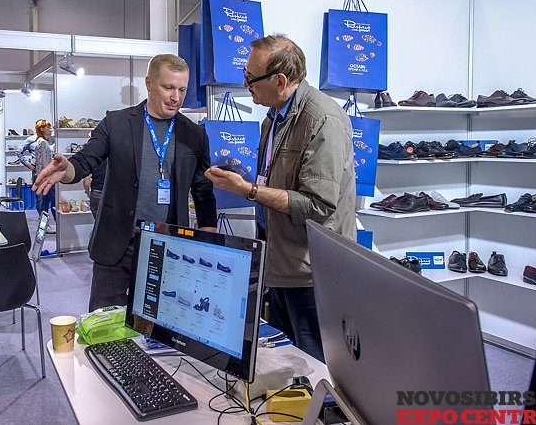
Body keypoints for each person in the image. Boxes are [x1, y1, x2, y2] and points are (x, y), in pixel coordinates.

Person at [205, 34, 356, 363]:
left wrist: (247, 190)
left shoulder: (322, 121)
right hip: (279, 260)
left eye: (251, 78)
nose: (245, 84)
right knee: (284, 361)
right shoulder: (274, 117)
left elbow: (317, 205)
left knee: (313, 364)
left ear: (281, 80)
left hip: (310, 271)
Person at [34, 54, 217, 311]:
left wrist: (208, 236)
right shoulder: (116, 122)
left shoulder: (195, 134)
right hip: (117, 243)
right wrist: (67, 170)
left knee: (159, 322)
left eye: (182, 89)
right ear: (149, 83)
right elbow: (86, 159)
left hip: (169, 248)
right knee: (104, 322)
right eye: (168, 87)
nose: (176, 97)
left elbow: (203, 190)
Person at [31, 119, 56, 232]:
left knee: (45, 203)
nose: (50, 129)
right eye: (48, 127)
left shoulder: (42, 142)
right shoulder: (42, 143)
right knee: (51, 203)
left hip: (43, 176)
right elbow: (45, 163)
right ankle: (54, 225)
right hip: (46, 177)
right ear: (42, 129)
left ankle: (45, 226)